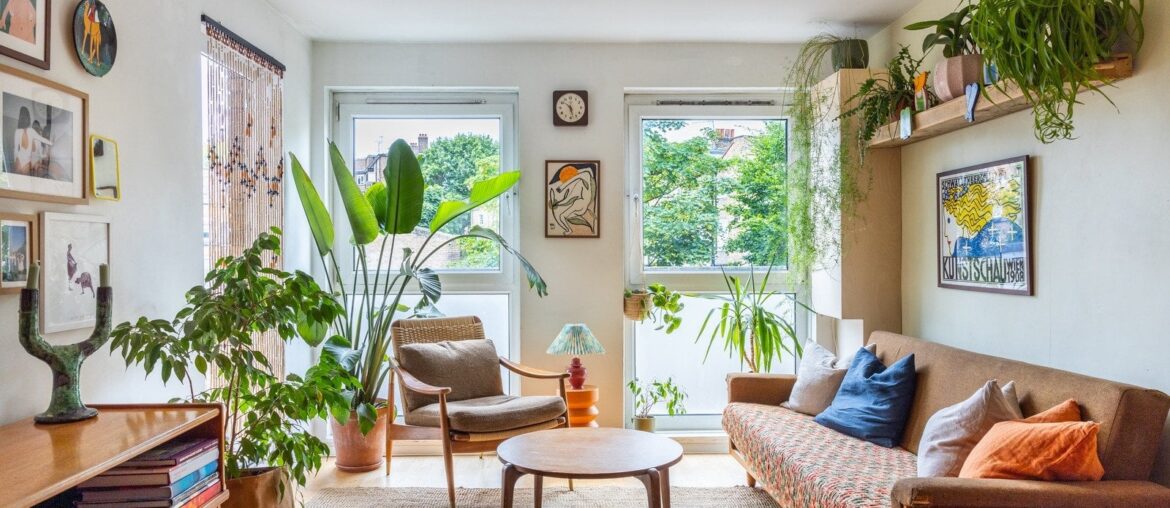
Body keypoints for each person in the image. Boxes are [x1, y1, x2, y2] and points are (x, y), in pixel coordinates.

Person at [10, 106, 52, 176]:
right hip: (26, 162)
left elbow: (15, 150)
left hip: (19, 160)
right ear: (28, 118)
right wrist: (52, 143)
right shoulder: (31, 131)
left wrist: (15, 161)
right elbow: (42, 139)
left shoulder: (17, 131)